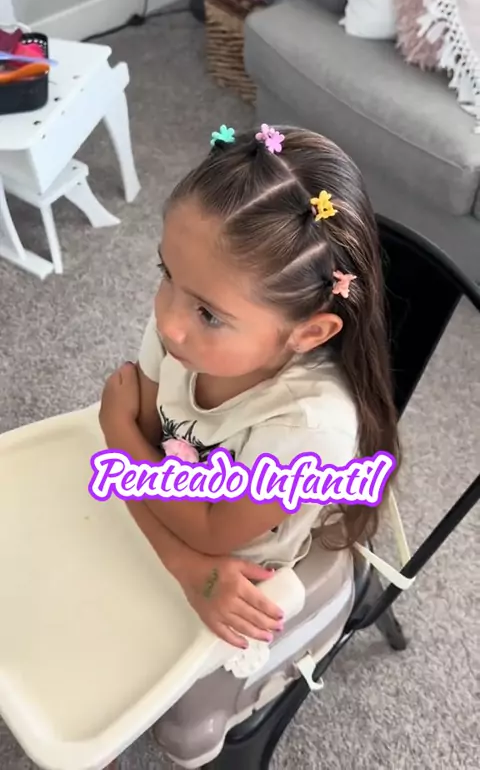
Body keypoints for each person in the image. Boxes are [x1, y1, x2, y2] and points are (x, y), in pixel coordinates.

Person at [98, 123, 400, 649]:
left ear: (309, 333)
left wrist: (113, 430)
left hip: (238, 584)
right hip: (167, 529)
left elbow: (209, 530)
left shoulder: (311, 428)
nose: (167, 321)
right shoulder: (183, 332)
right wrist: (183, 560)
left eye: (208, 314)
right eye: (166, 272)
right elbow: (146, 437)